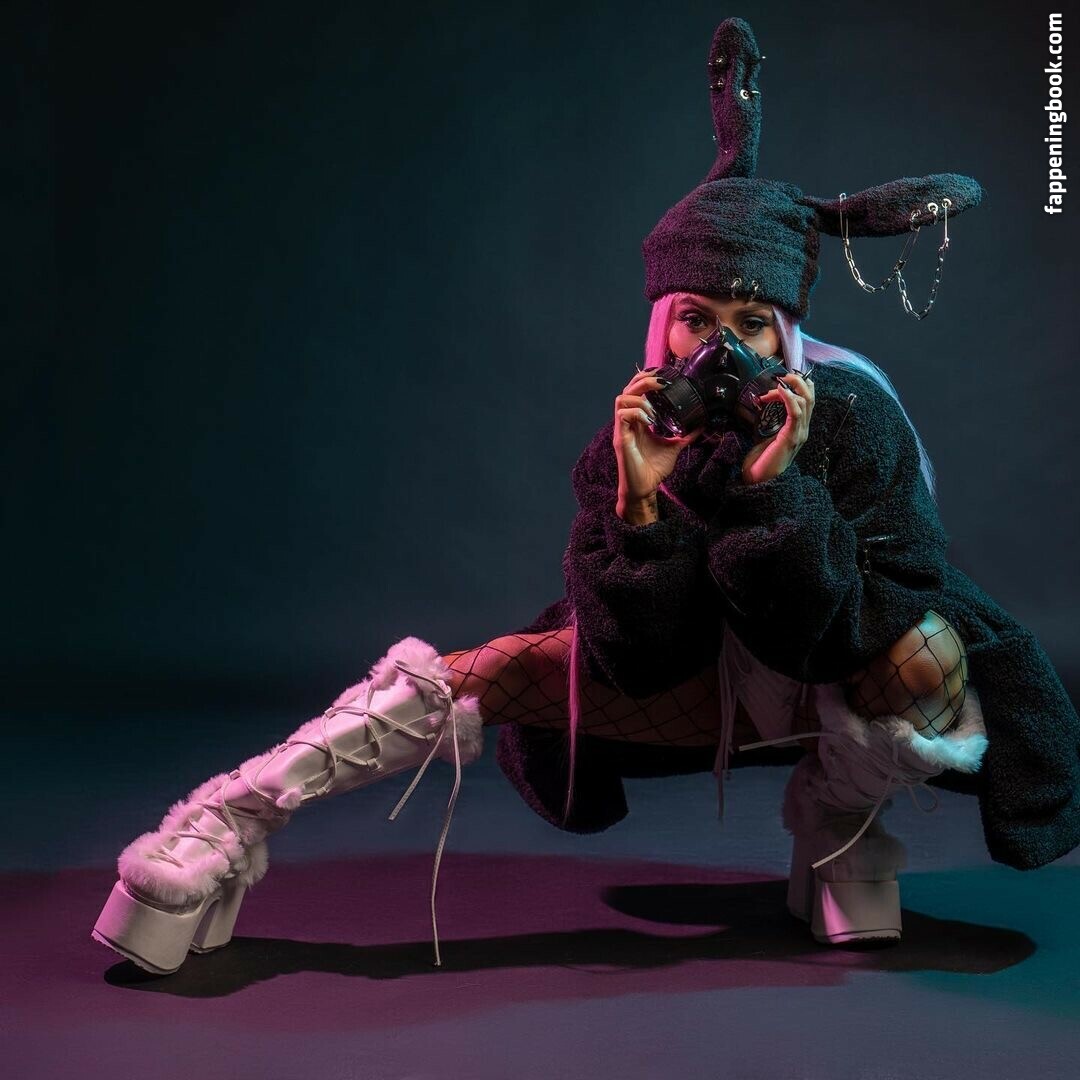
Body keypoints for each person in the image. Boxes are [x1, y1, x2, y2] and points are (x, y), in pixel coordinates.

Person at [92, 17, 1080, 974]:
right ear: (663, 324)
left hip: (831, 680)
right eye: (696, 318)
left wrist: (775, 490)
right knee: (488, 671)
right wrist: (639, 507)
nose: (722, 348)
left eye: (751, 322)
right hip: (699, 691)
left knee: (923, 654)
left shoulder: (852, 416)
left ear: (785, 328)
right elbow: (633, 661)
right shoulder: (640, 431)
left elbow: (873, 620)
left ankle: (840, 828)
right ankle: (229, 819)